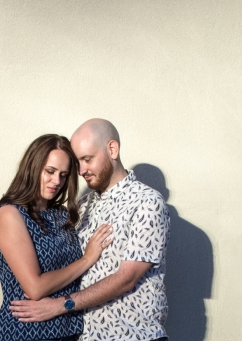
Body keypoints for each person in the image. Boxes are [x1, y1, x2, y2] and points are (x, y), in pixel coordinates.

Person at [10, 120, 170, 341]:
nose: (82, 170)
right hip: (84, 336)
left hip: (133, 336)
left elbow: (127, 278)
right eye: (78, 163)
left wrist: (61, 305)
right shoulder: (84, 205)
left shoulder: (147, 202)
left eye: (87, 159)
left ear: (112, 149)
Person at [0, 134, 114, 341]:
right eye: (50, 172)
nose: (57, 181)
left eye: (63, 175)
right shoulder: (10, 214)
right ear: (32, 167)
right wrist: (87, 259)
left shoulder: (61, 214)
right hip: (29, 332)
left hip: (70, 330)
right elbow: (35, 288)